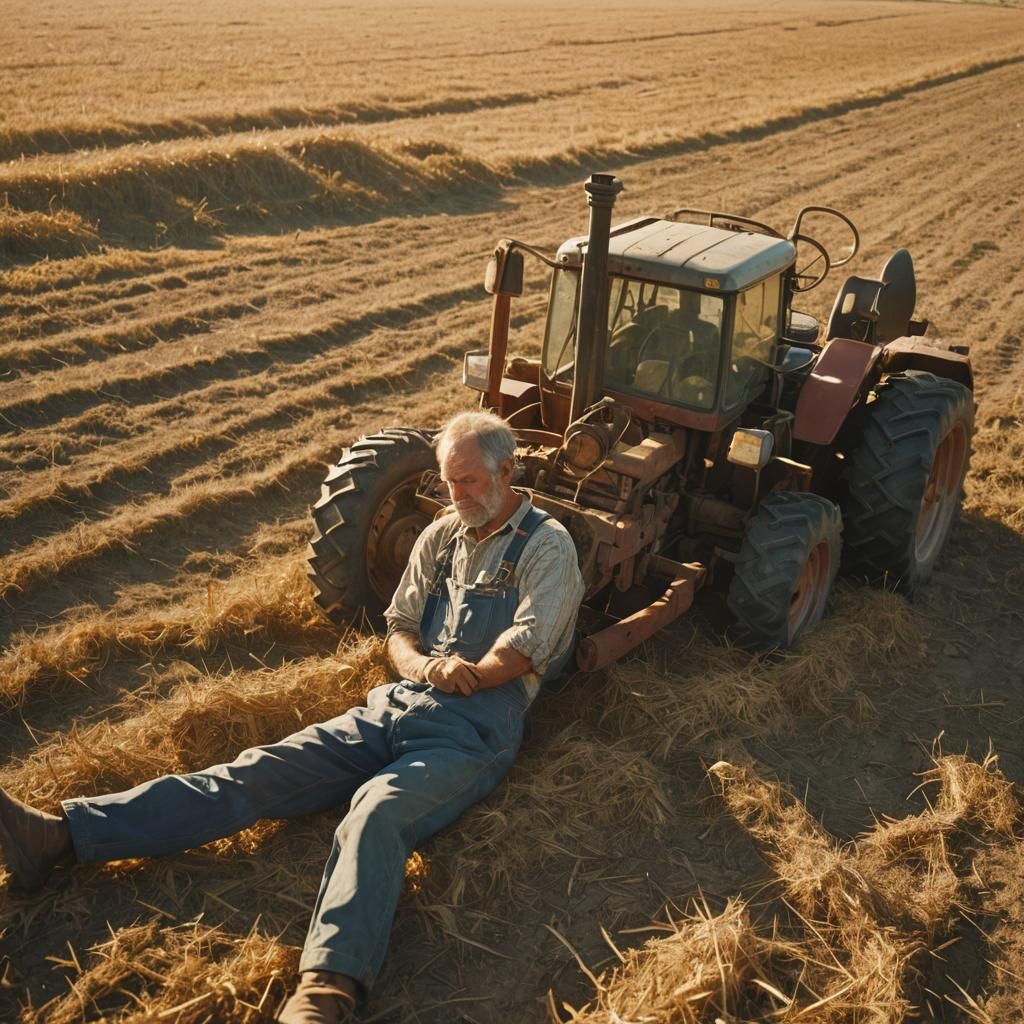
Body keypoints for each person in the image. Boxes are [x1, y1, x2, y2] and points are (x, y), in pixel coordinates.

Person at [0, 410, 585, 1024]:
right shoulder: (440, 537)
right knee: (257, 770)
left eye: (467, 481)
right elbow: (399, 629)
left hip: (472, 730)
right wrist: (420, 668)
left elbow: (523, 648)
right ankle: (62, 836)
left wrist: (467, 673)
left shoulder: (546, 545)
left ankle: (326, 992)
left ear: (508, 470)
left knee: (376, 814)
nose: (455, 495)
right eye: (447, 482)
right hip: (396, 704)